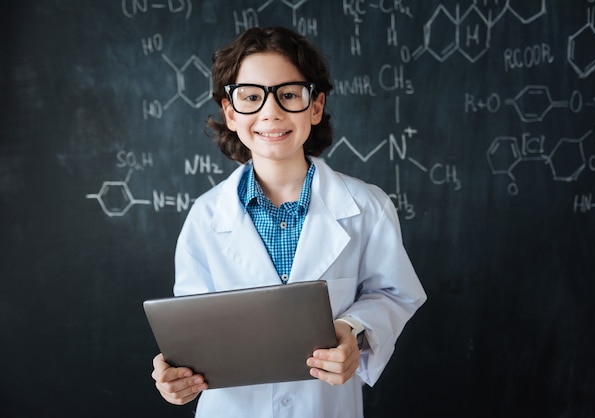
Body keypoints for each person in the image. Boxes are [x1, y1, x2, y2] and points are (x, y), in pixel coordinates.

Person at [151, 26, 427, 418]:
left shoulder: (367, 207)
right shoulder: (206, 217)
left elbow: (394, 294)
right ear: (230, 113)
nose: (270, 112)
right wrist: (176, 375)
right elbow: (190, 328)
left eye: (288, 94)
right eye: (250, 97)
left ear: (314, 106)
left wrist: (355, 330)